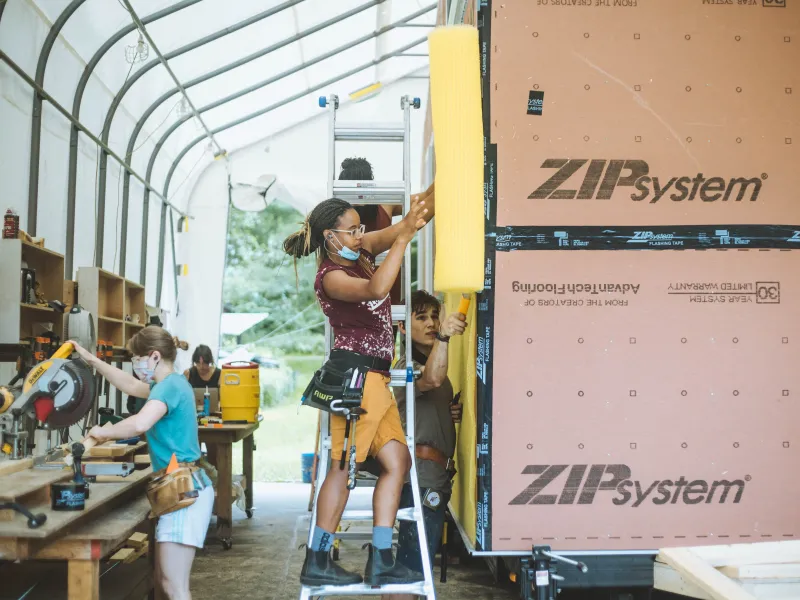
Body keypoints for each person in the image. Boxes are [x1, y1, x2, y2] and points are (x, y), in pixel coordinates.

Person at [283, 194, 432, 587]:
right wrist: (403, 240)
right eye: (352, 231)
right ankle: (317, 558)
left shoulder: (355, 250)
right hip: (356, 380)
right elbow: (379, 288)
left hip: (378, 381)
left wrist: (430, 197)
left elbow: (399, 228)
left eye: (361, 229)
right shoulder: (331, 276)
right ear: (330, 237)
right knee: (341, 467)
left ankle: (382, 557)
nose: (360, 236)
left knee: (398, 462)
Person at [71, 328, 214, 600]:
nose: (136, 365)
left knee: (175, 587)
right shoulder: (169, 383)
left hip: (185, 490)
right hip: (178, 487)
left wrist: (103, 432)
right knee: (164, 581)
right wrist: (92, 360)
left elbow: (140, 423)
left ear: (155, 356)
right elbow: (131, 385)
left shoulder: (169, 386)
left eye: (138, 358)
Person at [385, 291, 466, 600]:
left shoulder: (429, 360)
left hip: (432, 477)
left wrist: (448, 413)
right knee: (411, 571)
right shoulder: (406, 365)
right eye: (421, 318)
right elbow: (430, 379)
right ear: (404, 327)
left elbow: (431, 396)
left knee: (412, 569)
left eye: (435, 316)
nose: (432, 323)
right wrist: (445, 337)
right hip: (420, 478)